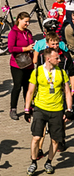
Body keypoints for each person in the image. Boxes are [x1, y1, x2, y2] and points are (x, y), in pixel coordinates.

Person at [25, 46, 73, 175]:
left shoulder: (62, 73)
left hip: (57, 110)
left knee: (55, 140)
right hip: (40, 109)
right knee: (36, 137)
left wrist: (69, 109)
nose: (59, 60)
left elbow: (68, 93)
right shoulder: (37, 72)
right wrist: (26, 109)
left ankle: (49, 162)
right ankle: (33, 161)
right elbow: (30, 92)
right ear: (48, 59)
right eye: (56, 58)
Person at [8, 12, 36, 121]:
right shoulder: (13, 33)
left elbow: (31, 44)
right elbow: (11, 48)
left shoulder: (28, 32)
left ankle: (27, 107)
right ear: (19, 20)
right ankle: (13, 108)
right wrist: (26, 48)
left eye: (28, 21)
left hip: (28, 64)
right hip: (17, 65)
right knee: (17, 86)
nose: (28, 24)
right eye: (26, 21)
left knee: (28, 87)